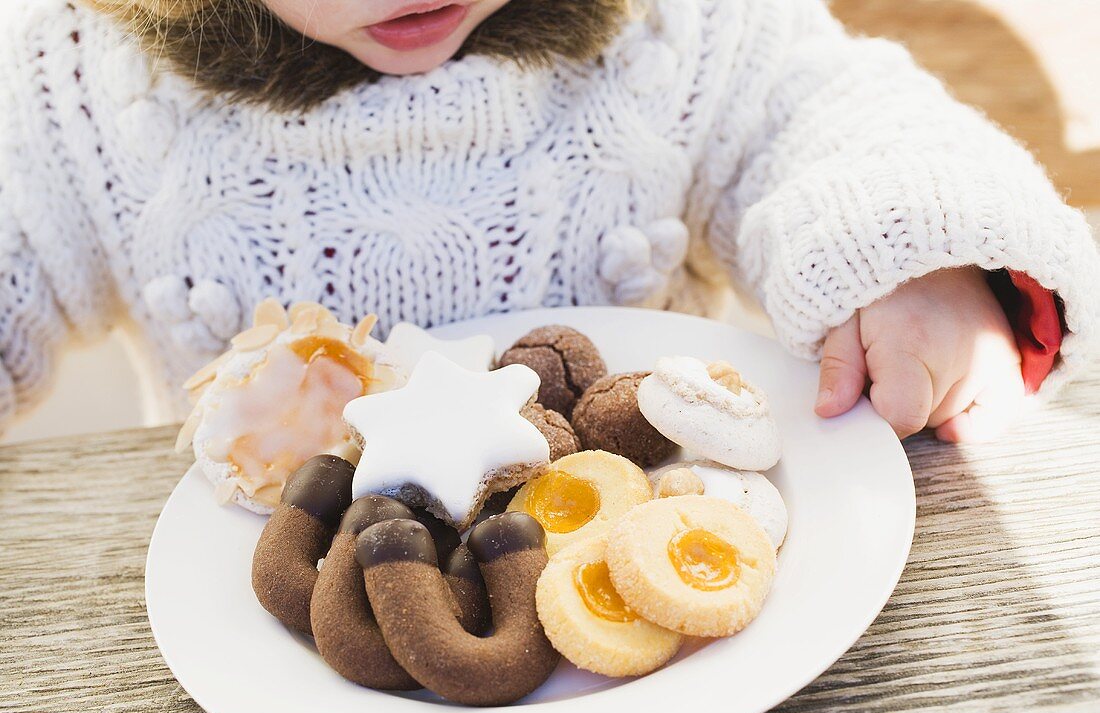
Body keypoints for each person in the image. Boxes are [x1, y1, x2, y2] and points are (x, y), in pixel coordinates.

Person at [0, 0, 1096, 441]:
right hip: (260, 639)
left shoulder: (676, 23)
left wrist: (917, 259)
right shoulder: (86, 89)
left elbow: (813, 113)